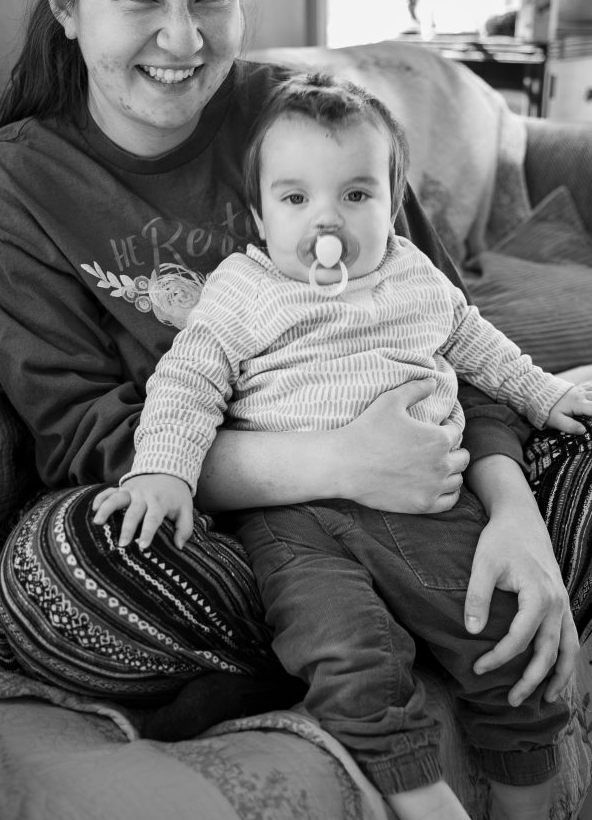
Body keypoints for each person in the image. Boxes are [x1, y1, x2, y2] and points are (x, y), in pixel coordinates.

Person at [0, 0, 582, 760]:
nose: (184, 37)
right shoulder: (16, 190)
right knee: (56, 581)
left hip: (428, 492)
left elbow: (444, 331)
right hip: (218, 527)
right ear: (66, 7)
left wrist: (516, 519)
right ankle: (368, 627)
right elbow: (88, 444)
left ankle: (414, 615)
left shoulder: (312, 124)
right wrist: (338, 461)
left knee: (582, 441)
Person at [92, 72, 590, 820]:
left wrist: (546, 396)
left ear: (392, 204)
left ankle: (527, 806)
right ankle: (422, 799)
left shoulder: (413, 274)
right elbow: (186, 378)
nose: (327, 222)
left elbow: (480, 347)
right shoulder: (243, 286)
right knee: (346, 653)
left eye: (355, 195)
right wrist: (164, 469)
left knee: (508, 645)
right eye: (295, 199)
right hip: (295, 523)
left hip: (428, 505)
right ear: (259, 214)